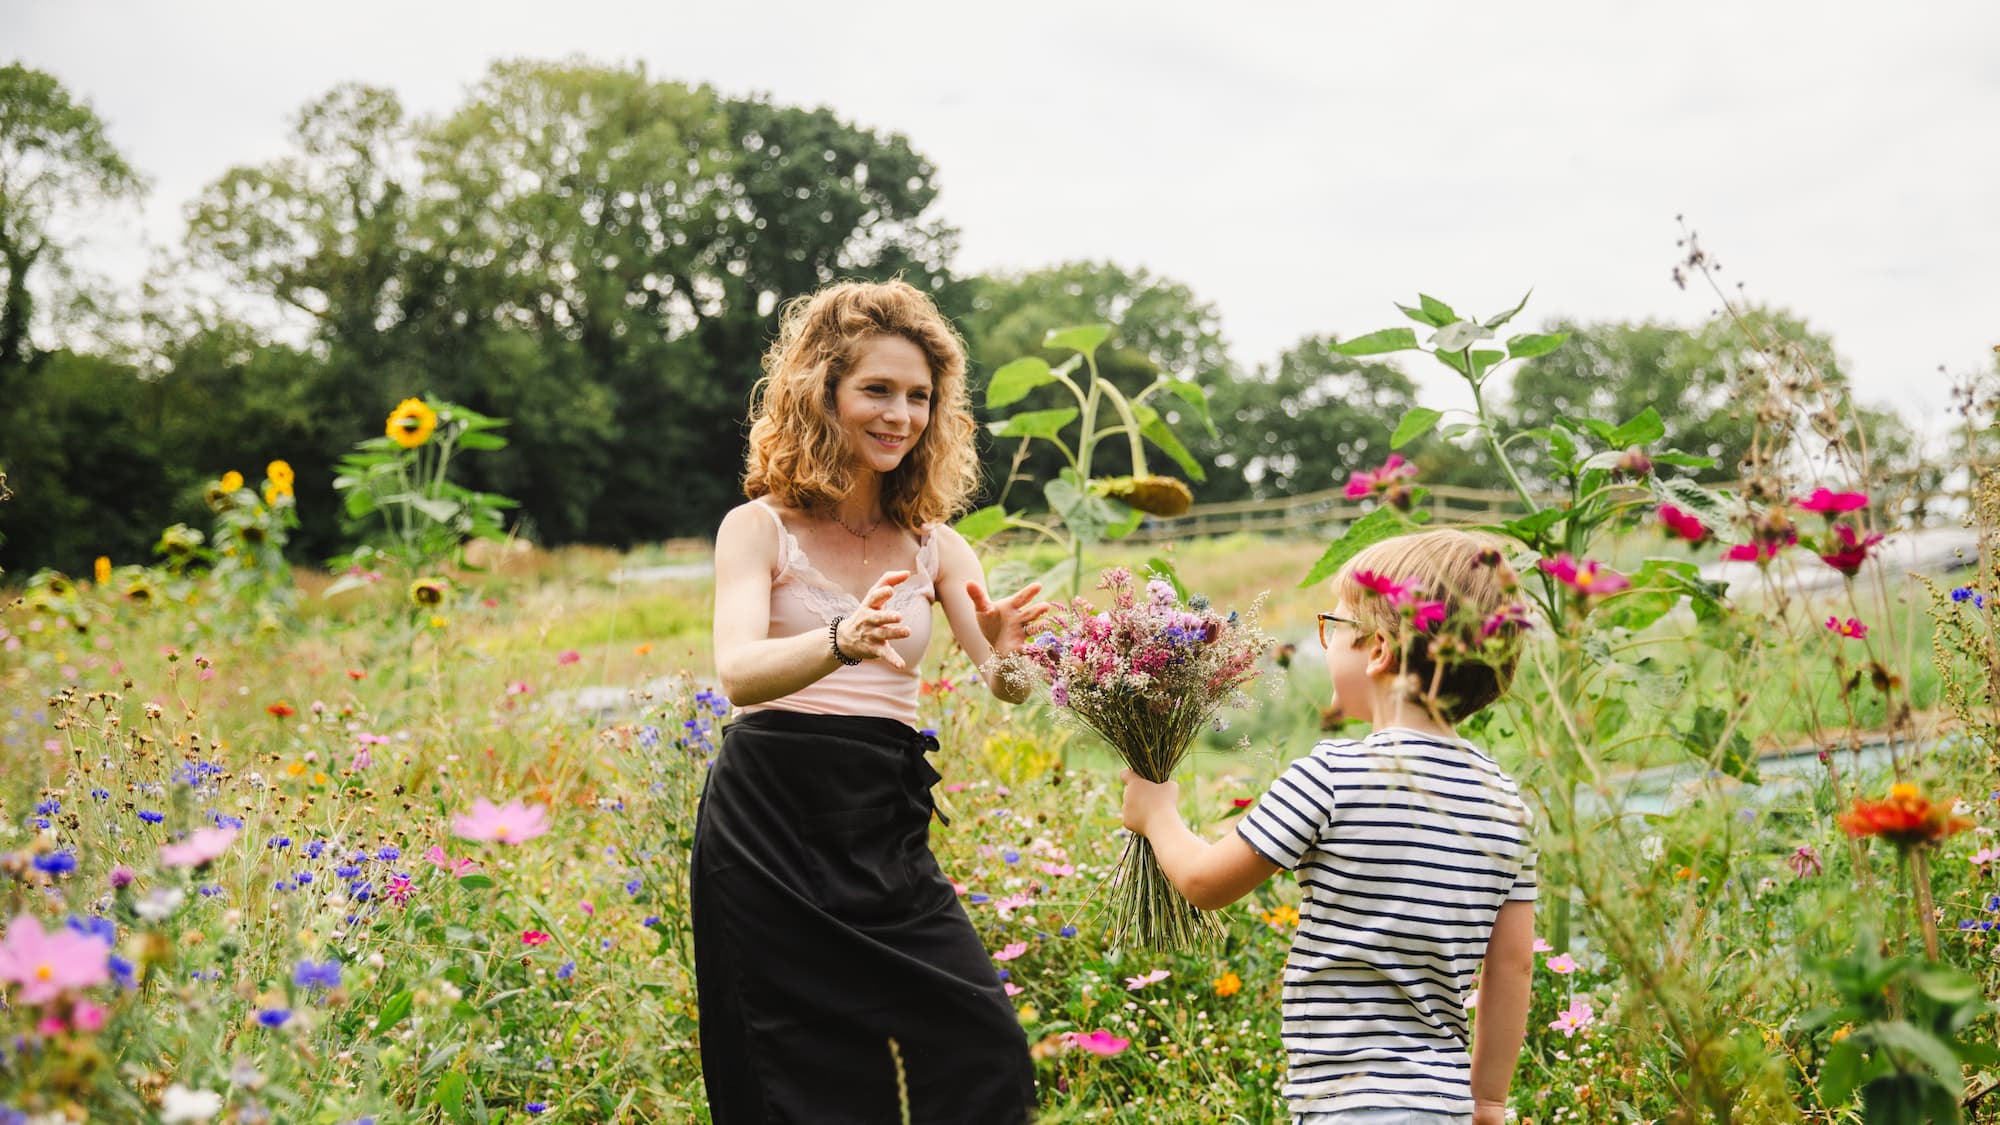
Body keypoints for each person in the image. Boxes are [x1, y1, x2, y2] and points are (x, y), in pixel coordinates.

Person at [693, 279, 1052, 1124]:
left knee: (982, 1044)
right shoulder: (758, 528)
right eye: (877, 390)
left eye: (920, 396)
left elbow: (1007, 686)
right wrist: (839, 641)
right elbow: (737, 672)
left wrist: (1010, 655)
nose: (901, 414)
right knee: (810, 1082)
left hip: (880, 818)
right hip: (768, 822)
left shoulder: (937, 545)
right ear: (823, 392)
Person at [1120, 530, 1538, 1125]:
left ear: (1377, 651)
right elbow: (1512, 966)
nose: (1327, 642)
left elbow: (1206, 882)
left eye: (1332, 627)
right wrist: (1489, 1100)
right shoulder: (1507, 802)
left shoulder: (1331, 774)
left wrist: (1156, 812)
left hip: (1347, 1101)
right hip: (1444, 1102)